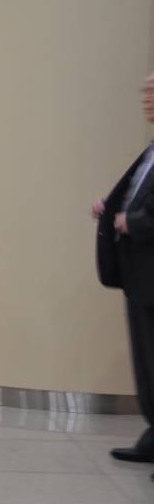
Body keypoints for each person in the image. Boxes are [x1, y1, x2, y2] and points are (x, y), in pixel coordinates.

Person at [95, 70, 154, 477]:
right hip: (140, 273)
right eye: (146, 90)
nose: (146, 97)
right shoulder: (150, 149)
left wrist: (132, 222)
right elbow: (137, 192)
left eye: (153, 91)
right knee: (146, 360)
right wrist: (111, 207)